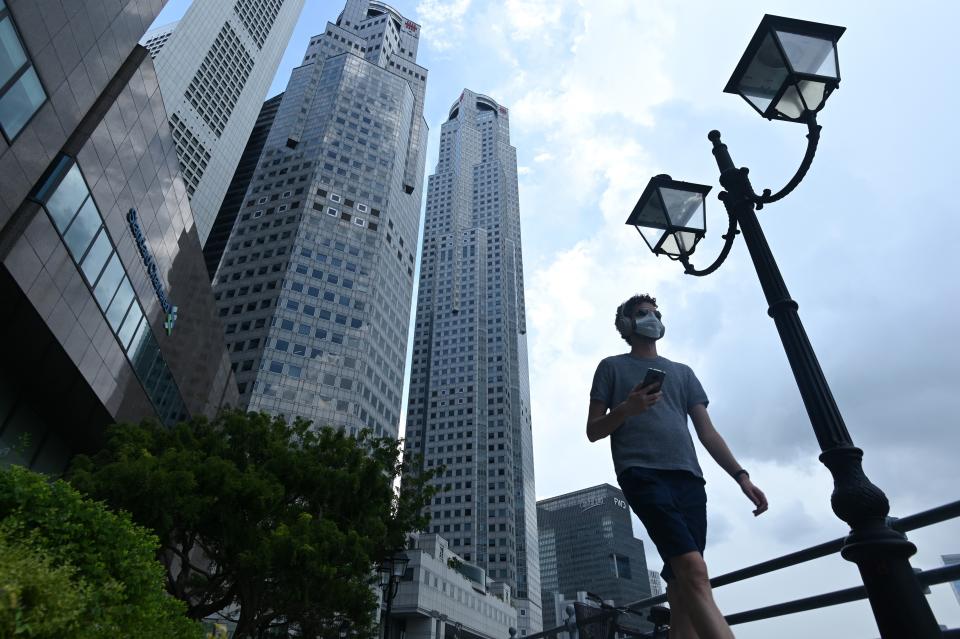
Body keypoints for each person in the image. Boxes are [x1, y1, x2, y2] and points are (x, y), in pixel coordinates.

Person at [586, 294, 768, 639]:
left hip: (689, 478)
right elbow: (593, 430)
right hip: (641, 473)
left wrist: (741, 477)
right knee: (695, 570)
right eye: (642, 314)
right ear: (625, 325)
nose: (652, 318)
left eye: (656, 313)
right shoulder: (611, 367)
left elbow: (708, 433)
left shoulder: (683, 373)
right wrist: (627, 408)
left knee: (680, 586)